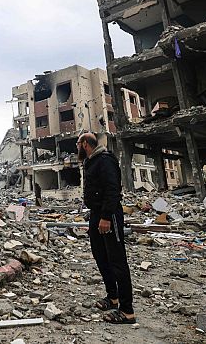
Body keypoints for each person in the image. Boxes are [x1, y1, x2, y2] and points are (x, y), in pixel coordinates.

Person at [77, 132, 136, 324]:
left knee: (117, 259)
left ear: (85, 144)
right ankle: (113, 297)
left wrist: (105, 217)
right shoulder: (91, 161)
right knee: (100, 255)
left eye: (78, 144)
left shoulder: (105, 160)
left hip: (108, 215)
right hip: (96, 214)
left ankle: (127, 311)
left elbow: (113, 190)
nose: (77, 147)